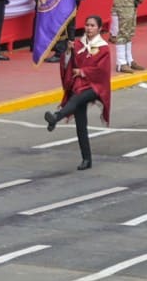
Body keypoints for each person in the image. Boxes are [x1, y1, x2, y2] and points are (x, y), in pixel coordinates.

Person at [43, 15, 111, 170]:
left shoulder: (103, 47)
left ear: (99, 28)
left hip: (95, 87)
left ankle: (56, 116)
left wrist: (83, 71)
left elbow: (102, 71)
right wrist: (67, 52)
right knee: (81, 125)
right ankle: (86, 159)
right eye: (87, 25)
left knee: (76, 99)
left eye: (92, 25)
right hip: (80, 85)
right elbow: (68, 64)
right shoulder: (79, 44)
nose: (89, 28)